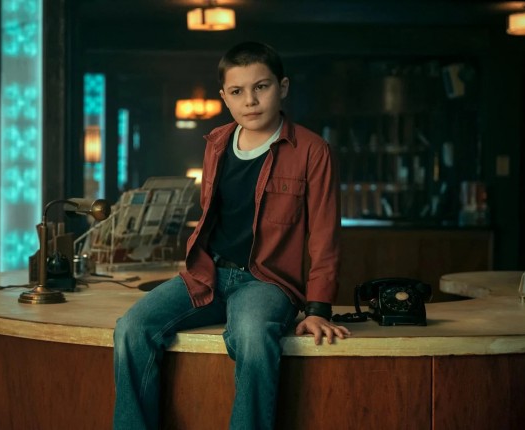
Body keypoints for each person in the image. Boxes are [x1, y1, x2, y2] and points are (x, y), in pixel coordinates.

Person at [113, 41, 350, 430]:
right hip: (208, 274)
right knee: (131, 328)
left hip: (267, 282)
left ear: (282, 87)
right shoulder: (217, 143)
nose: (250, 101)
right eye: (237, 91)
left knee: (252, 336)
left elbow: (325, 237)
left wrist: (318, 309)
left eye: (262, 87)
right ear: (224, 97)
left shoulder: (312, 150)